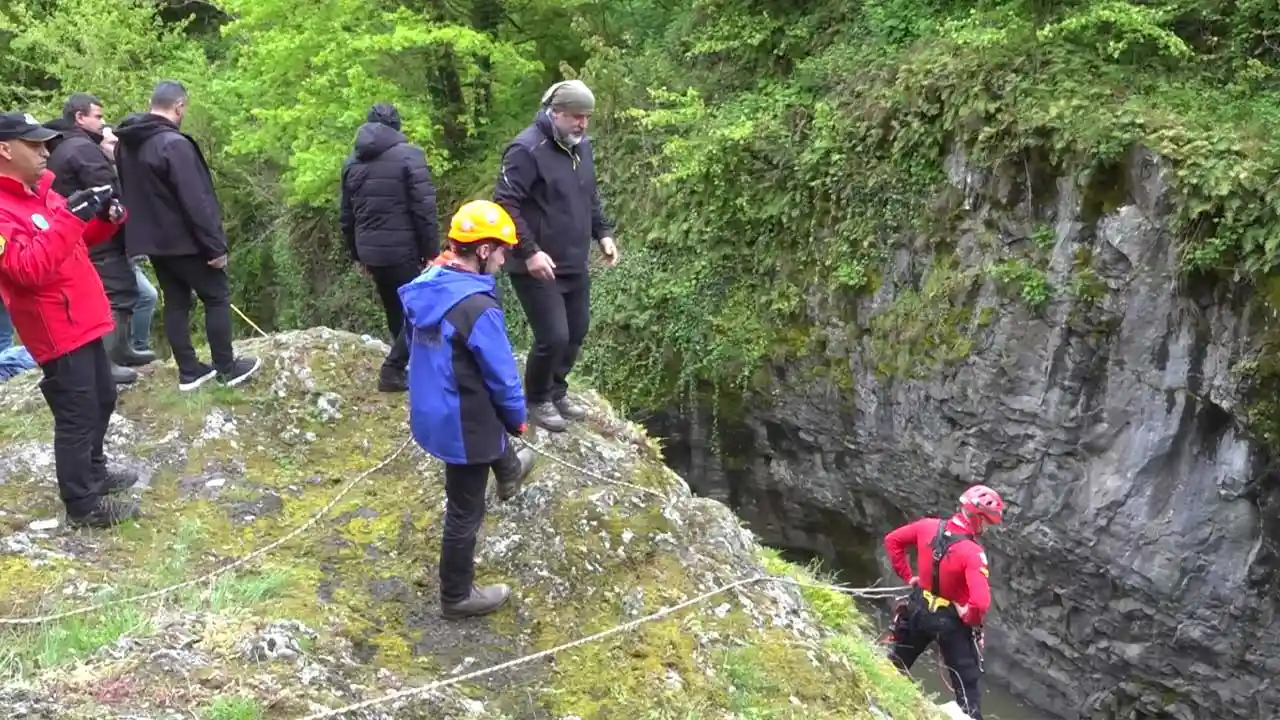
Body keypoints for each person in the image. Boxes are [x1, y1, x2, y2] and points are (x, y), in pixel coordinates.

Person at [0, 110, 140, 527]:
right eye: (34, 144)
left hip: (82, 314)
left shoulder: (40, 191)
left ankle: (95, 472)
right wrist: (70, 217)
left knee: (102, 397)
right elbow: (26, 269)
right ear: (5, 149)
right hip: (55, 326)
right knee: (77, 412)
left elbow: (73, 238)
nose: (45, 151)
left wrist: (103, 219)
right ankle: (83, 505)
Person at [398, 199, 536, 620]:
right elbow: (503, 377)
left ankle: (509, 473)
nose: (504, 257)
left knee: (482, 416)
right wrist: (519, 419)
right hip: (462, 420)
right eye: (501, 249)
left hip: (435, 407)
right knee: (465, 510)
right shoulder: (478, 307)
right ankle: (456, 596)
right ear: (481, 250)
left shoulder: (430, 282)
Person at [114, 80, 260, 392]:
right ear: (179, 106)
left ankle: (189, 371)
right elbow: (197, 200)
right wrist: (215, 246)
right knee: (216, 297)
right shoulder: (173, 144)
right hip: (188, 242)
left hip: (154, 243)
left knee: (177, 303)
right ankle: (226, 367)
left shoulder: (125, 144)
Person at [493, 79, 619, 433]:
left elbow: (588, 197)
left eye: (587, 118)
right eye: (576, 117)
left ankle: (557, 389)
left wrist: (604, 234)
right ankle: (537, 399)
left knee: (577, 330)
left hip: (573, 260)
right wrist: (529, 252)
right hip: (535, 264)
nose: (582, 124)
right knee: (553, 336)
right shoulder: (526, 150)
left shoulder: (581, 148)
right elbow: (505, 203)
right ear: (556, 112)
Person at [45, 93, 154, 384]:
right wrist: (114, 211)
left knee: (128, 293)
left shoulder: (63, 148)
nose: (102, 122)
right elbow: (102, 189)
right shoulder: (82, 148)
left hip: (83, 236)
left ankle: (122, 350)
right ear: (80, 117)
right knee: (116, 295)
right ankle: (107, 362)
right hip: (99, 236)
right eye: (97, 116)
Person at [339, 103, 439, 393]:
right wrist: (432, 252)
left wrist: (357, 254)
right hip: (403, 251)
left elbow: (346, 215)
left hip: (371, 251)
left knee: (396, 309)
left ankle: (411, 365)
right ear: (397, 126)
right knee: (421, 311)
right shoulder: (411, 156)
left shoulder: (352, 163)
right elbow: (424, 210)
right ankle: (393, 370)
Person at [882, 484, 1006, 720]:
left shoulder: (926, 526)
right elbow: (980, 603)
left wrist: (909, 577)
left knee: (897, 663)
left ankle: (881, 703)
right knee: (967, 687)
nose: (989, 528)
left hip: (918, 607)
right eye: (988, 522)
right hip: (951, 621)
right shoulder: (972, 552)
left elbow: (892, 541)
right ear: (978, 519)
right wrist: (968, 616)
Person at [100, 125, 158, 356]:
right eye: (110, 144)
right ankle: (128, 349)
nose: (116, 148)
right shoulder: (100, 175)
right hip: (106, 253)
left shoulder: (122, 172)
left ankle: (134, 347)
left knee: (144, 296)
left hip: (124, 250)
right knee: (141, 296)